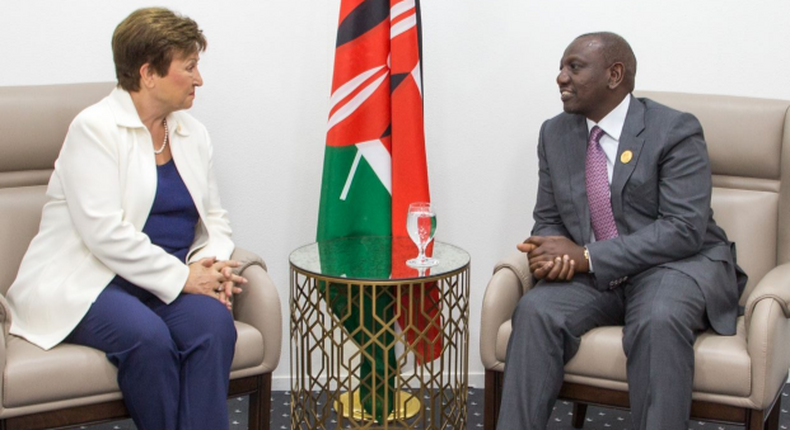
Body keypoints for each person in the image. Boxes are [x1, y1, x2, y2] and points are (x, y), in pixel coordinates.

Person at [6, 8, 246, 430]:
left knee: (214, 325)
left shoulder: (193, 133)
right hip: (93, 280)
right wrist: (184, 278)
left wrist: (210, 263)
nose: (199, 79)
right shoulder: (94, 129)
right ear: (148, 72)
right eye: (189, 67)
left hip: (167, 281)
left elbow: (214, 217)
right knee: (147, 339)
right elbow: (105, 234)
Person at [496, 32, 746, 430]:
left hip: (674, 266)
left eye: (574, 67)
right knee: (535, 310)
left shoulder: (674, 129)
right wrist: (551, 253)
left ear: (614, 75)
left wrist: (589, 256)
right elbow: (548, 217)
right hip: (597, 275)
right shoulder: (554, 133)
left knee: (658, 319)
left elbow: (684, 229)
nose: (561, 77)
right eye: (561, 67)